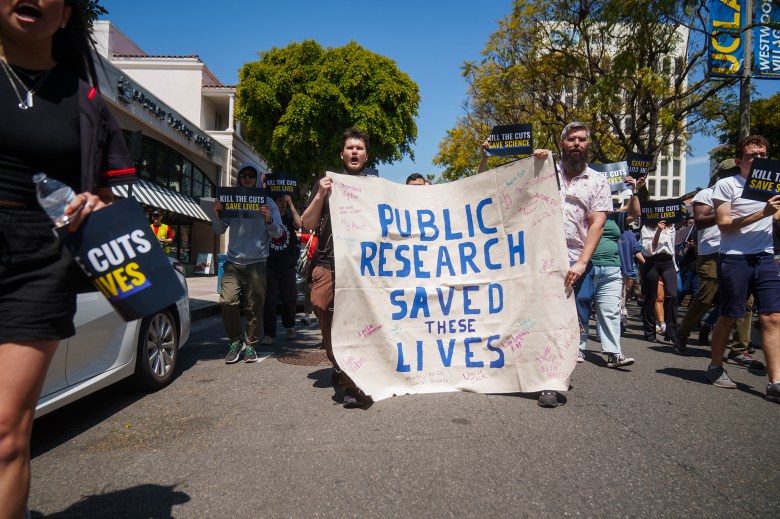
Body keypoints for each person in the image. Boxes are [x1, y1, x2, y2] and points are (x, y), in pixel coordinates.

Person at [0, 1, 137, 516]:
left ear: (65, 15)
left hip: (39, 260)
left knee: (8, 433)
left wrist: (97, 201)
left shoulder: (87, 101)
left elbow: (115, 192)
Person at [532, 122, 611, 407]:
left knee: (570, 322)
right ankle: (547, 381)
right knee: (544, 320)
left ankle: (555, 375)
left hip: (576, 260)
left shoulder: (598, 181)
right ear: (561, 143)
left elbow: (597, 223)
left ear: (588, 145)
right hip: (539, 258)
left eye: (582, 139)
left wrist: (581, 262)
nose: (577, 143)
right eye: (571, 139)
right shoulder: (544, 171)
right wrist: (535, 161)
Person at [301, 127, 373, 409]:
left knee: (356, 323)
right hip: (328, 263)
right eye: (350, 148)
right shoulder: (327, 184)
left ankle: (350, 382)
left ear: (366, 156)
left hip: (361, 267)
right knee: (320, 304)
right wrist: (320, 194)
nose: (354, 152)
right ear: (341, 154)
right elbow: (306, 223)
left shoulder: (374, 187)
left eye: (360, 148)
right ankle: (340, 361)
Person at [708, 135, 780, 402]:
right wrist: (762, 212)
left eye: (763, 154)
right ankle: (715, 366)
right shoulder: (727, 185)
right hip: (735, 257)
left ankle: (775, 382)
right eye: (753, 155)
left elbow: (776, 218)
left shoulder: (774, 185)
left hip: (765, 256)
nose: (759, 158)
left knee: (773, 317)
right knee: (730, 315)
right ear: (740, 161)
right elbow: (725, 225)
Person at [212, 162, 283, 364]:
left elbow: (278, 233)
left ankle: (250, 345)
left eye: (252, 175)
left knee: (254, 307)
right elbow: (219, 230)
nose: (248, 178)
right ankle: (235, 341)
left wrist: (268, 219)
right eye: (244, 175)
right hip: (233, 262)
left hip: (257, 263)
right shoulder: (230, 200)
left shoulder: (268, 202)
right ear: (239, 178)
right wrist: (217, 214)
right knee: (227, 301)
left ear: (257, 177)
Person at [588, 175, 642, 369]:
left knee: (610, 311)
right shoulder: (584, 212)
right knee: (582, 309)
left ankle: (614, 353)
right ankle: (577, 349)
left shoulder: (615, 216)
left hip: (612, 269)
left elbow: (635, 213)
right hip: (588, 267)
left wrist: (635, 191)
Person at [639, 218, 686, 353]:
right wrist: (658, 231)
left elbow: (671, 246)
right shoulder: (646, 227)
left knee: (673, 294)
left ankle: (672, 332)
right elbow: (650, 249)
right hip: (652, 261)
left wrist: (675, 267)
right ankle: (649, 331)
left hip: (668, 262)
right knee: (651, 297)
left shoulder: (671, 227)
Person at [263, 193, 302, 344]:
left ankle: (290, 326)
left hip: (287, 265)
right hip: (270, 265)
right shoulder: (268, 216)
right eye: (280, 200)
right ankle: (269, 334)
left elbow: (299, 224)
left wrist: (291, 204)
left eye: (284, 200)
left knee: (289, 298)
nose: (282, 203)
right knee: (270, 300)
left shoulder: (288, 216)